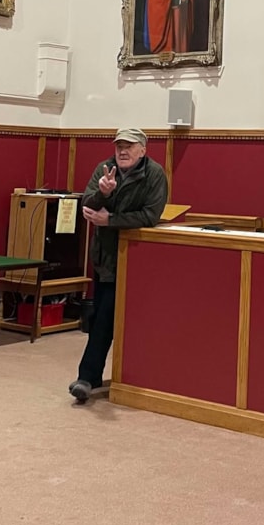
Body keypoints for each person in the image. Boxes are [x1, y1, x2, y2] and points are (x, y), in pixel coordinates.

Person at [69, 127, 168, 404]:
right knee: (102, 314)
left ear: (143, 150)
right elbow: (87, 204)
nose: (122, 152)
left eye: (129, 146)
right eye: (119, 146)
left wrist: (110, 220)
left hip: (134, 259)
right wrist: (102, 192)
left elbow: (150, 215)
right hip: (104, 258)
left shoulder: (155, 175)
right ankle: (93, 376)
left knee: (104, 320)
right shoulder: (105, 169)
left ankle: (86, 378)